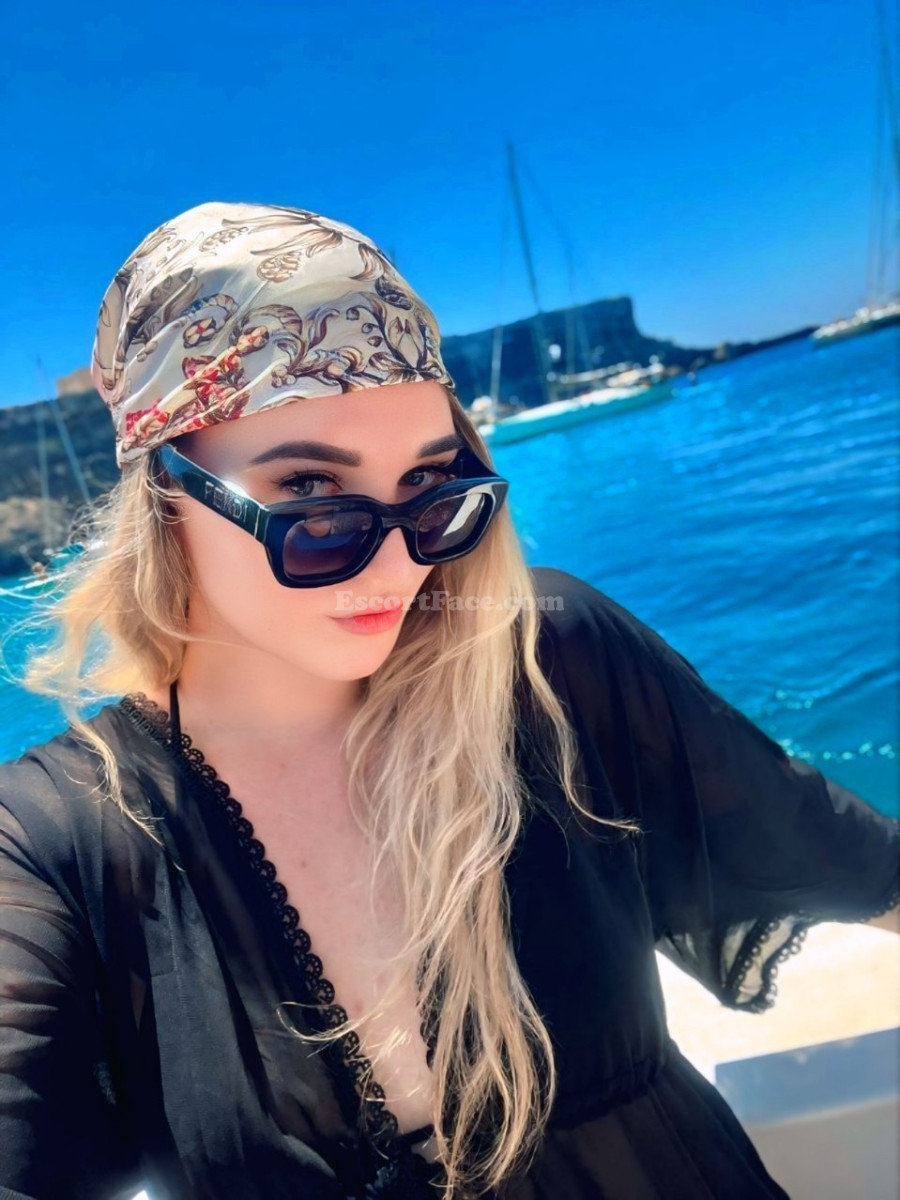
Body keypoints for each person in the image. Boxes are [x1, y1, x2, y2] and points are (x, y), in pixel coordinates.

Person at [0, 201, 897, 1200]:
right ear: (166, 493)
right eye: (311, 494)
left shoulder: (547, 668)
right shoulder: (54, 843)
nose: (399, 565)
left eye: (431, 484)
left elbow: (851, 857)